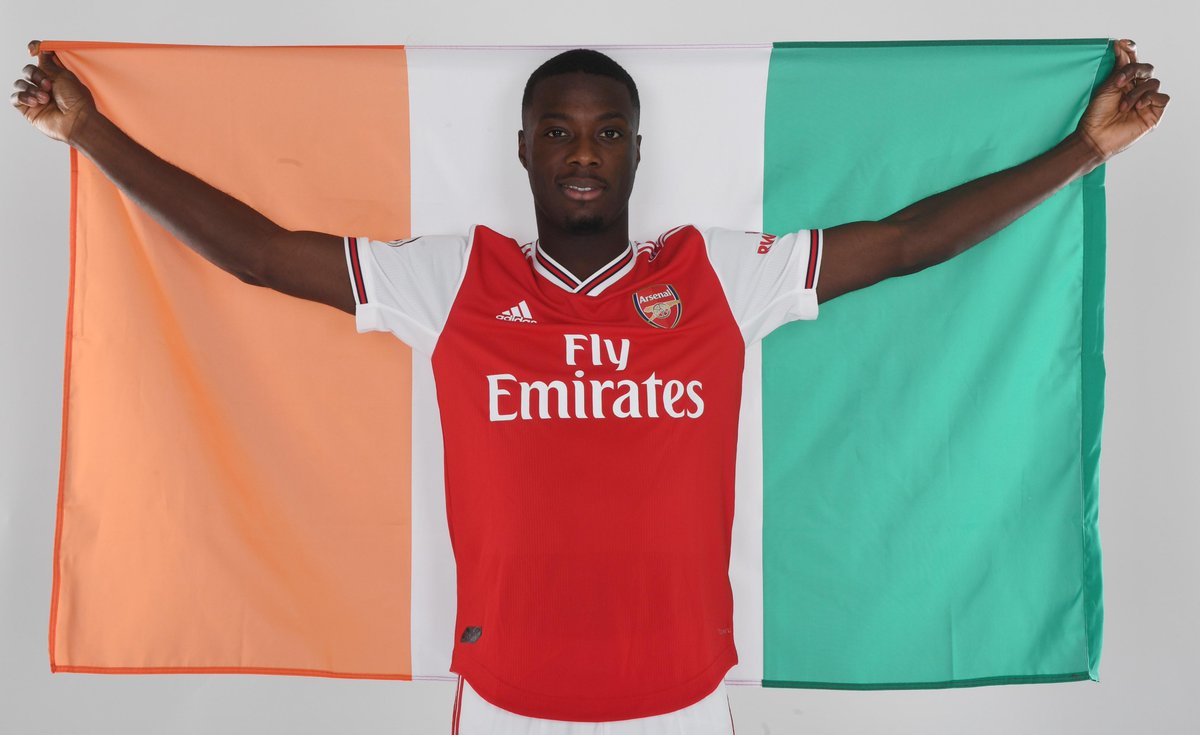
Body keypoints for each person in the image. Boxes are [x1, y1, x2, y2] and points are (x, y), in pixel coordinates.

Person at [12, 38, 1168, 735]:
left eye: (608, 132)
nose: (581, 152)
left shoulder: (715, 275)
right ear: (521, 147)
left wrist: (1084, 150)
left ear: (635, 152)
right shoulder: (454, 279)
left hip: (681, 699)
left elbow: (907, 241)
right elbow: (265, 255)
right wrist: (92, 134)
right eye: (558, 131)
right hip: (507, 698)